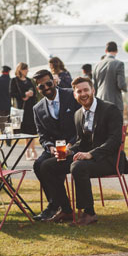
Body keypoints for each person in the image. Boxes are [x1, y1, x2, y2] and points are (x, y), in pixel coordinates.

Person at [38, 76, 124, 225]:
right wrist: (69, 151)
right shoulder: (78, 114)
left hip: (109, 159)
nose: (83, 94)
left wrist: (91, 154)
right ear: (74, 95)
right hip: (86, 158)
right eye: (79, 91)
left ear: (93, 90)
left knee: (77, 166)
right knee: (46, 165)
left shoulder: (110, 109)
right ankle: (65, 209)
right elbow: (81, 141)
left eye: (86, 90)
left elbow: (114, 141)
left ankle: (89, 213)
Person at [31, 69, 81, 221]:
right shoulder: (37, 108)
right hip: (55, 148)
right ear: (37, 89)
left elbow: (82, 126)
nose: (46, 88)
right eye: (41, 86)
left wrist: (71, 146)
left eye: (48, 83)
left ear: (54, 81)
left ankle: (59, 208)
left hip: (76, 145)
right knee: (38, 165)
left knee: (49, 167)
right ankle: (56, 205)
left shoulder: (72, 95)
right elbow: (42, 136)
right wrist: (50, 147)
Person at [10, 62, 38, 160]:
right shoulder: (14, 80)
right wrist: (23, 95)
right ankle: (27, 151)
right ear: (20, 70)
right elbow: (11, 93)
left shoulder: (29, 80)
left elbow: (35, 92)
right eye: (25, 69)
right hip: (20, 108)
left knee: (31, 130)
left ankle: (33, 149)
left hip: (30, 107)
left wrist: (31, 93)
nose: (27, 71)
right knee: (25, 130)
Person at [93, 41, 127, 110]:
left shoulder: (96, 65)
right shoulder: (119, 64)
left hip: (100, 102)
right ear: (116, 51)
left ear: (106, 51)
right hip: (114, 103)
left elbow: (94, 87)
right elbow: (121, 85)